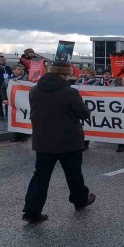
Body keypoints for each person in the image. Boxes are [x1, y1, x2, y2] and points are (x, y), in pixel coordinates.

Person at [22, 62, 95, 222]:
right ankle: (80, 200)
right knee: (73, 173)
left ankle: (32, 211)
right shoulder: (70, 92)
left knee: (40, 176)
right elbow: (83, 114)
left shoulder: (34, 90)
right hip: (68, 140)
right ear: (64, 74)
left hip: (43, 141)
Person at [2, 64, 29, 142]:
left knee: (23, 119)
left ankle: (24, 135)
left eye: (22, 69)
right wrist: (4, 99)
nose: (21, 71)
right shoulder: (8, 80)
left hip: (24, 103)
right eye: (19, 69)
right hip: (12, 103)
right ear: (13, 71)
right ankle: (16, 136)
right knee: (13, 119)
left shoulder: (28, 79)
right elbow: (3, 89)